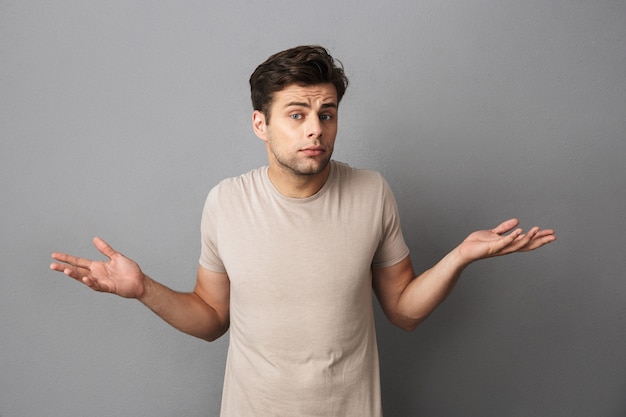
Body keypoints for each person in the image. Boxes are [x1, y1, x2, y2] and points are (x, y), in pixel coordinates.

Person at [50, 45, 556, 417]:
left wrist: (459, 257)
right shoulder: (226, 202)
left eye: (326, 113)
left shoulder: (372, 192)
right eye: (297, 114)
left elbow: (403, 311)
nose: (316, 127)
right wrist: (143, 290)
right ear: (260, 124)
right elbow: (210, 319)